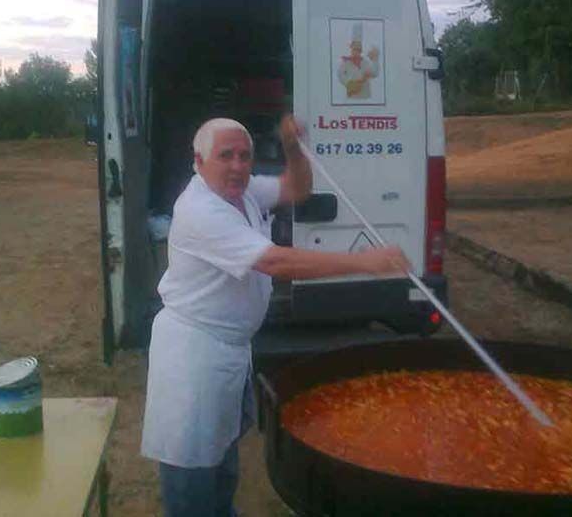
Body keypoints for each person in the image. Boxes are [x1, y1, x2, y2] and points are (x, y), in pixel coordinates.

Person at [141, 115, 409, 517]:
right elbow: (275, 261)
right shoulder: (200, 210)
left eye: (245, 156)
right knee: (191, 468)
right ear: (199, 161)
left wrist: (291, 147)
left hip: (227, 348)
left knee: (221, 450)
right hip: (192, 355)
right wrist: (365, 263)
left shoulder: (243, 192)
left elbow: (296, 187)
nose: (237, 165)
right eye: (225, 156)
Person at [337, 22, 381, 99]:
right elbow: (340, 75)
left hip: (365, 96)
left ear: (360, 51)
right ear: (351, 49)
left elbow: (375, 73)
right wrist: (349, 83)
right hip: (353, 97)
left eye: (358, 50)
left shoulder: (365, 62)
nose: (356, 51)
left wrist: (375, 60)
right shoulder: (345, 62)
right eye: (354, 49)